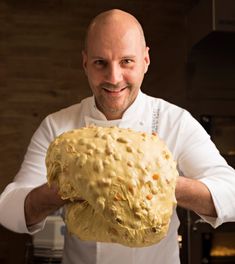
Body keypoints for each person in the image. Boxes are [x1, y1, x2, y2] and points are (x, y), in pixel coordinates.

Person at [0, 9, 235, 264]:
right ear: (85, 63)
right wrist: (72, 183)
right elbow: (8, 208)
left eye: (126, 61)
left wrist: (160, 181)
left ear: (145, 60)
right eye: (101, 62)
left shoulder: (174, 121)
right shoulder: (58, 126)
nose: (114, 78)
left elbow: (231, 193)